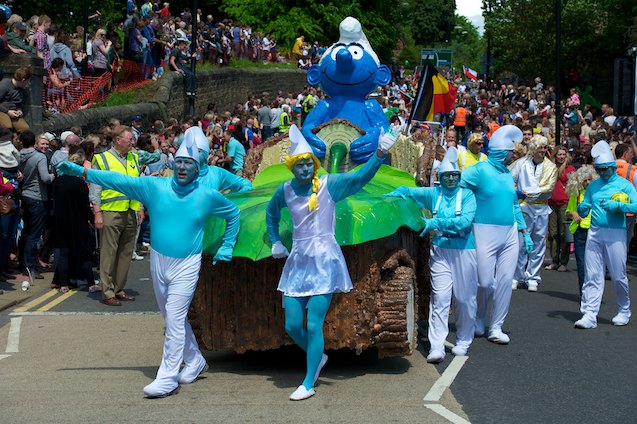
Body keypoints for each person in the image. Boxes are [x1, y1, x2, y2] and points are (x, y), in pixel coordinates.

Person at [58, 117, 240, 399]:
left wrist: (228, 245)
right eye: (178, 162)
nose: (182, 167)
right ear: (172, 164)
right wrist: (80, 172)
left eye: (188, 163)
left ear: (198, 167)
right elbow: (116, 179)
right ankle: (194, 360)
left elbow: (233, 213)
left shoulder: (207, 195)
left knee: (175, 318)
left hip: (187, 263)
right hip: (158, 261)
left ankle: (167, 376)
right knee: (170, 317)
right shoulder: (155, 188)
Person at [265, 124, 398, 401]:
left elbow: (360, 177)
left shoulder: (328, 185)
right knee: (292, 325)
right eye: (299, 164)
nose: (304, 168)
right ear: (291, 167)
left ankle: (308, 382)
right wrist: (276, 240)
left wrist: (380, 153)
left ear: (314, 165)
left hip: (324, 259)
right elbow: (271, 213)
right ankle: (319, 356)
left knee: (314, 324)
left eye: (308, 163)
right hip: (299, 260)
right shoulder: (285, 190)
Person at [386, 147, 477, 363]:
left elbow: (465, 221)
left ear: (459, 177)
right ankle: (436, 345)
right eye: (447, 176)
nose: (451, 180)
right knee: (440, 297)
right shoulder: (434, 194)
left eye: (454, 176)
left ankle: (464, 339)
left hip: (464, 250)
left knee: (464, 298)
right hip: (440, 251)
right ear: (440, 178)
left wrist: (435, 222)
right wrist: (393, 194)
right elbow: (408, 191)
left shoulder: (468, 195)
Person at [460, 125, 532, 344]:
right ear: (501, 151)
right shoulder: (479, 170)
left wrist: (524, 231)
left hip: (510, 233)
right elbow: (457, 190)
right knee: (484, 282)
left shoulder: (507, 174)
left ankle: (497, 326)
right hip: (483, 231)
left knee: (504, 281)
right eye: (510, 152)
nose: (513, 155)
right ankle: (479, 318)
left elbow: (514, 205)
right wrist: (463, 218)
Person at [574, 141, 637, 329]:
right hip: (595, 232)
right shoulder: (593, 186)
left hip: (615, 233)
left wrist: (619, 206)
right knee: (592, 274)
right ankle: (589, 313)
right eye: (599, 170)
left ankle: (624, 309)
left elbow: (635, 205)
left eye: (605, 169)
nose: (602, 173)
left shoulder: (625, 185)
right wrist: (582, 208)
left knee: (618, 275)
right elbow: (584, 209)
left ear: (612, 167)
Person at [89, 126, 145, 306]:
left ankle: (118, 289)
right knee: (108, 253)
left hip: (130, 210)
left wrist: (140, 207)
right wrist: (97, 213)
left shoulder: (133, 157)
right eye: (130, 140)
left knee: (126, 253)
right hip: (110, 211)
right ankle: (107, 292)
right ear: (118, 140)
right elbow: (95, 188)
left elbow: (137, 185)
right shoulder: (102, 159)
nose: (132, 143)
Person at [509, 135, 558, 292]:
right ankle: (517, 276)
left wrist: (528, 192)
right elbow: (510, 179)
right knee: (521, 242)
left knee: (538, 243)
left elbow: (549, 187)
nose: (543, 151)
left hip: (541, 209)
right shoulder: (521, 163)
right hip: (523, 208)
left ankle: (533, 277)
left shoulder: (551, 167)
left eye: (545, 148)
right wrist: (517, 192)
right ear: (533, 149)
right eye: (540, 148)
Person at [51, 148, 95, 293]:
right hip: (78, 222)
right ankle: (91, 283)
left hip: (61, 221)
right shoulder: (80, 184)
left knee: (63, 252)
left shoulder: (58, 183)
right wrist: (92, 218)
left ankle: (63, 285)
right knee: (83, 253)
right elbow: (84, 206)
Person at [18, 131, 55, 281]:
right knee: (33, 234)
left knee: (26, 232)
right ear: (34, 142)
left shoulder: (18, 155)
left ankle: (23, 264)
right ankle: (29, 267)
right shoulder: (39, 157)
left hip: (24, 196)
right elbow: (45, 178)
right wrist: (54, 175)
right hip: (37, 197)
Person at [565, 166, 597, 294]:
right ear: (579, 181)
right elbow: (567, 212)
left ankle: (594, 293)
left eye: (590, 180)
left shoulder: (596, 194)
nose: (588, 182)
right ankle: (584, 294)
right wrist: (574, 214)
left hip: (594, 232)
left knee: (594, 265)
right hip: (580, 232)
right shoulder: (576, 195)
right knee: (582, 264)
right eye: (585, 180)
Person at [546, 145, 575, 272]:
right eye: (559, 154)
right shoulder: (550, 168)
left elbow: (574, 186)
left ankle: (563, 261)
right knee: (553, 234)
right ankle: (554, 260)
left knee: (564, 234)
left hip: (564, 203)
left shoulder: (570, 169)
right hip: (551, 203)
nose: (561, 157)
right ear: (555, 155)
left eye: (563, 154)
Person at [0, 67, 32, 133]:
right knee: (7, 127)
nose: (27, 83)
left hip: (14, 113)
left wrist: (19, 110)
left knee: (25, 129)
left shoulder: (21, 89)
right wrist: (7, 111)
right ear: (23, 80)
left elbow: (19, 103)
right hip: (2, 111)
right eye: (27, 81)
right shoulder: (4, 85)